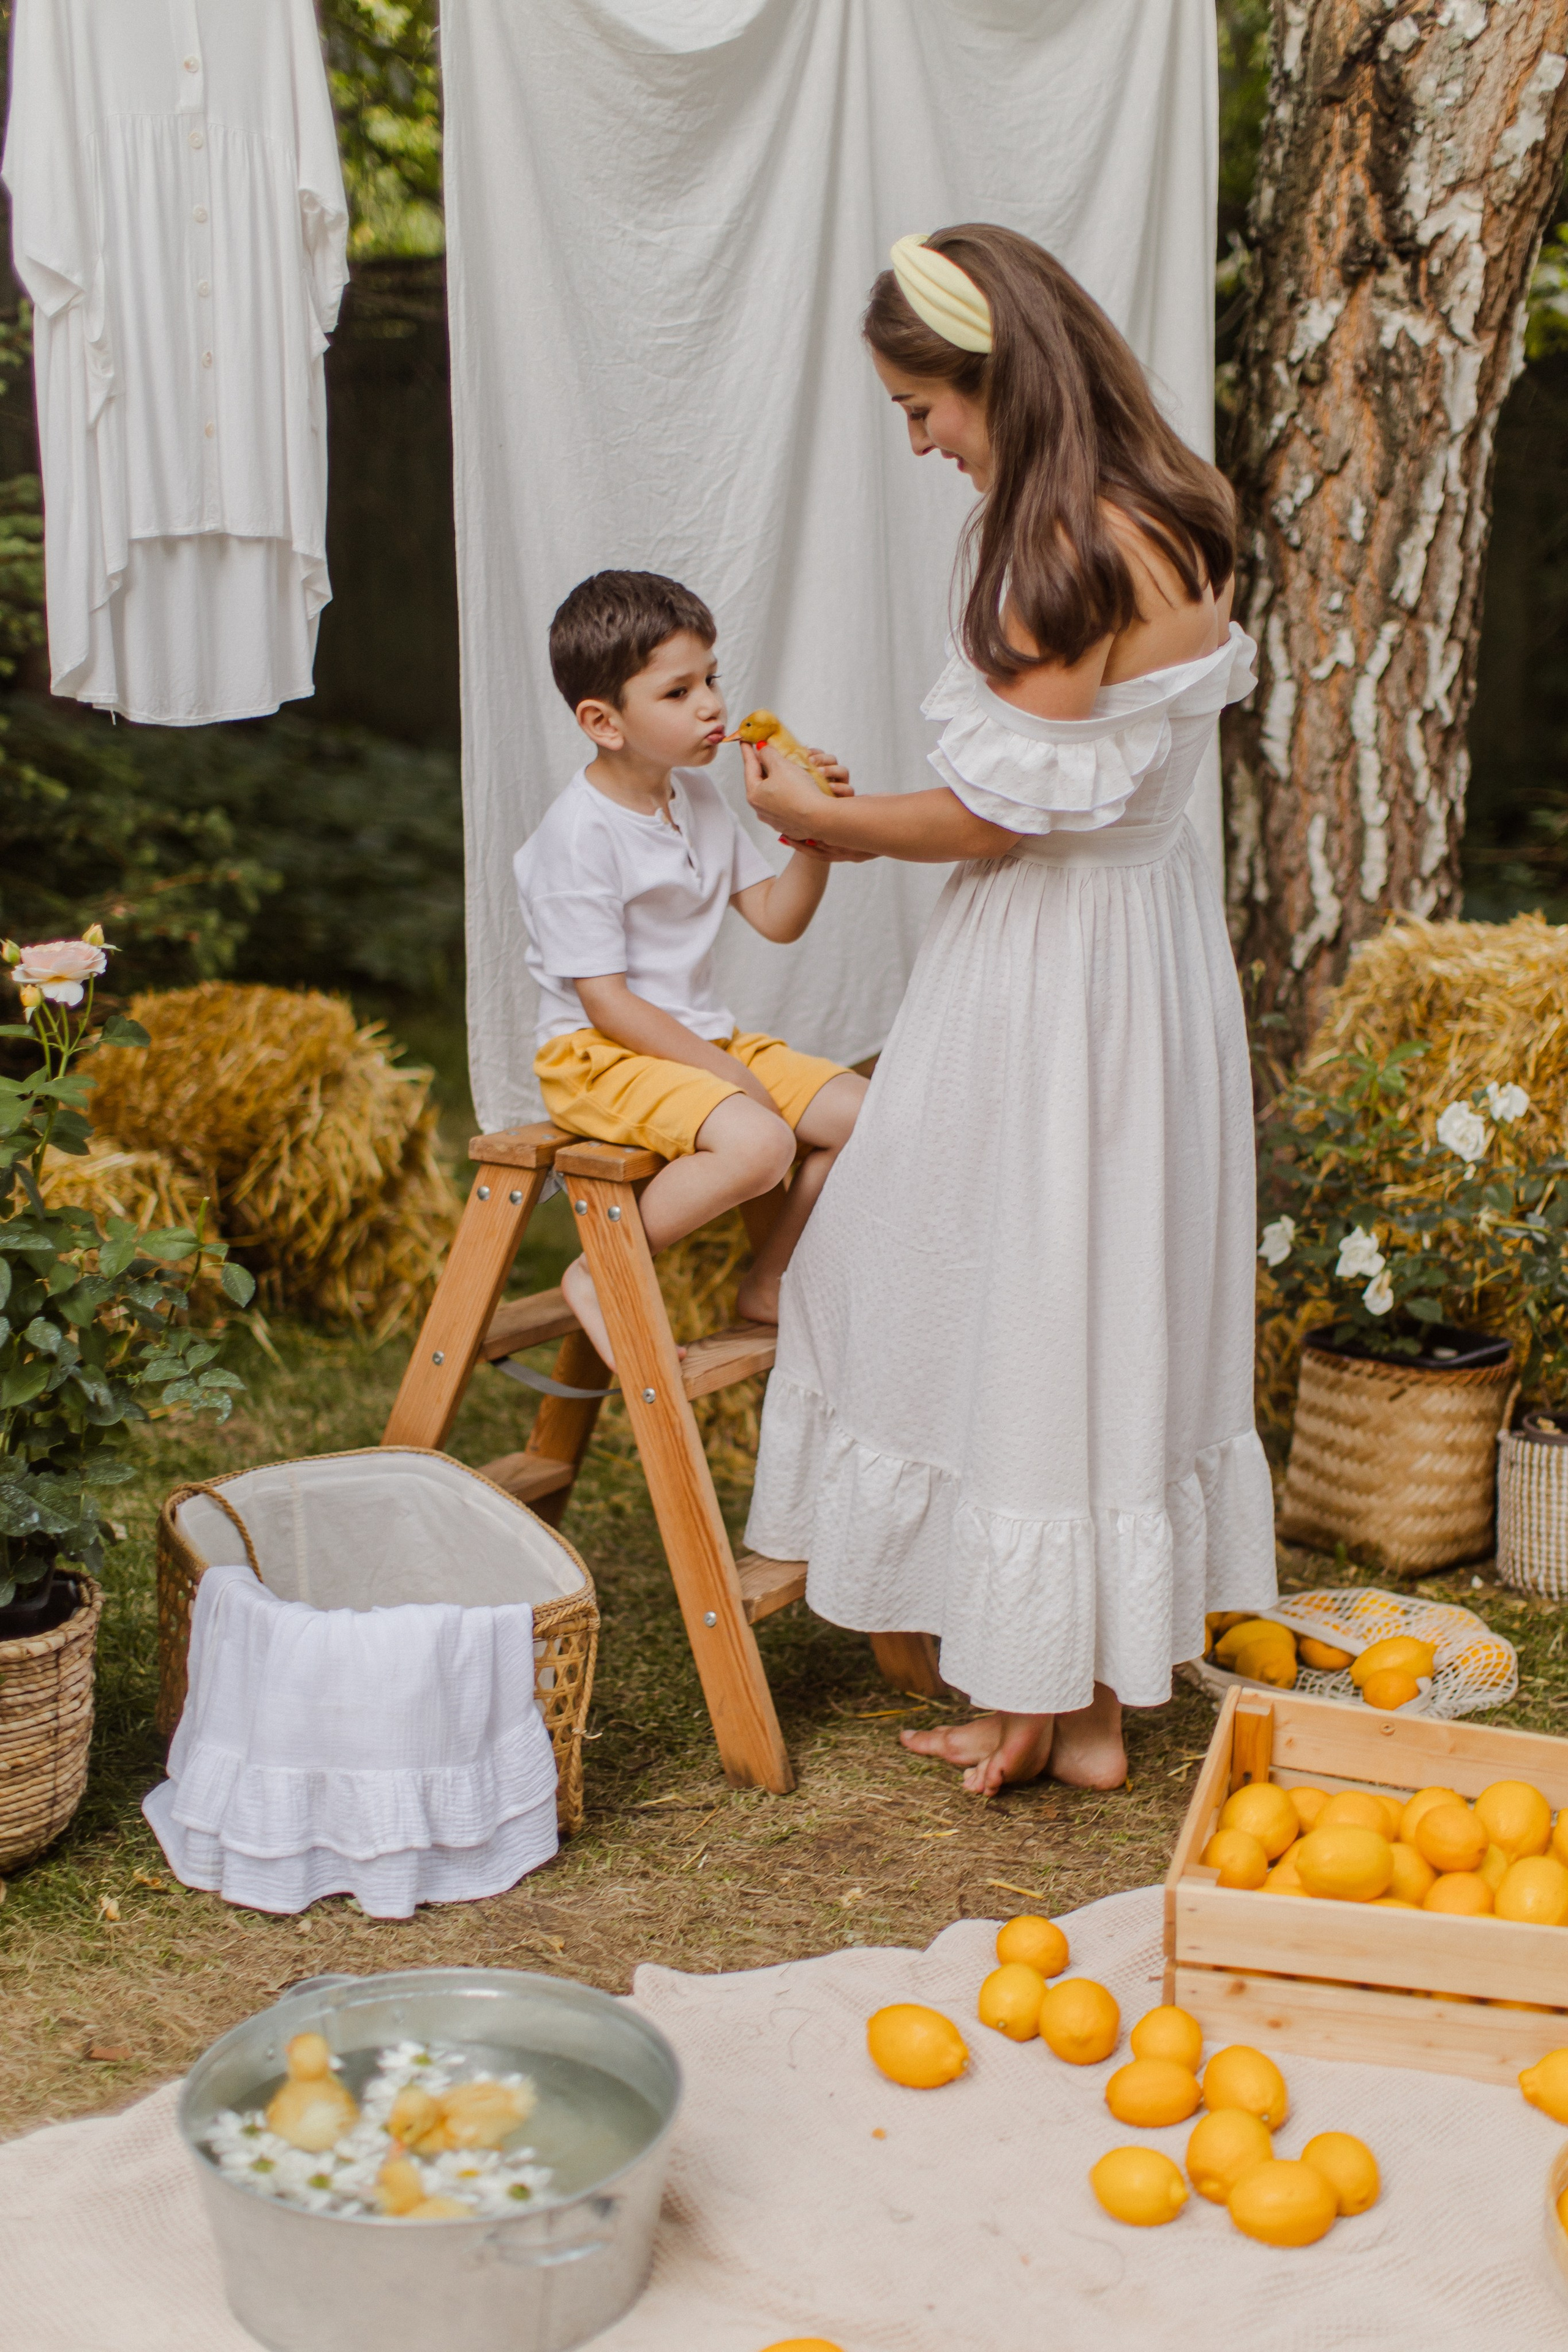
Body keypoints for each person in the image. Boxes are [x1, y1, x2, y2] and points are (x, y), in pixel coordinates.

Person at [742, 227, 1277, 1795]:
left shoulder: (1057, 556)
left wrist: (822, 821)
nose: (918, 443)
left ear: (1002, 377)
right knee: (1098, 1285)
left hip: (1052, 966)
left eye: (925, 407)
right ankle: (1090, 1702)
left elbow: (1002, 821)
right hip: (1150, 949)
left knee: (993, 1278)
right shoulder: (1181, 509)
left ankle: (1052, 1681)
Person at [515, 570, 868, 1370]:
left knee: (873, 1123)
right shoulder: (579, 836)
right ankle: (601, 1271)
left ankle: (771, 1280)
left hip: (699, 1038)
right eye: (678, 692)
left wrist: (811, 829)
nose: (712, 704)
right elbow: (604, 1002)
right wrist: (725, 1076)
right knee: (760, 1145)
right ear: (604, 722)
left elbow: (778, 918)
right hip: (597, 1053)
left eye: (712, 679)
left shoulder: (701, 799)